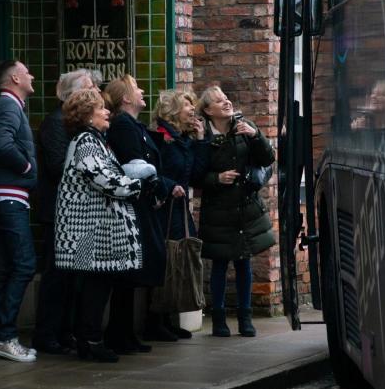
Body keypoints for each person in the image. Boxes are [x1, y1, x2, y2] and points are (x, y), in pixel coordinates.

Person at [54, 89, 150, 363]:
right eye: (101, 108)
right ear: (87, 115)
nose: (108, 112)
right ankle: (90, 340)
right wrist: (139, 184)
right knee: (95, 286)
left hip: (94, 229)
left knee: (96, 285)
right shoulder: (86, 142)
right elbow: (104, 179)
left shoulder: (95, 140)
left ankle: (89, 338)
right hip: (88, 232)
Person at [197, 86, 276, 337]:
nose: (226, 102)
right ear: (208, 111)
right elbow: (195, 174)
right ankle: (219, 318)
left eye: (226, 98)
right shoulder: (203, 136)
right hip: (218, 210)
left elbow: (267, 159)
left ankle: (245, 317)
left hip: (245, 208)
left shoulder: (245, 128)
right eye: (219, 101)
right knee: (220, 264)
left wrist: (255, 136)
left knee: (244, 262)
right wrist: (216, 178)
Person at [104, 75, 177, 349]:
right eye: (136, 88)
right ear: (125, 98)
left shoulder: (135, 126)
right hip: (133, 206)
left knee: (136, 271)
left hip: (143, 205)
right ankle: (119, 333)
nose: (142, 91)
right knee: (128, 272)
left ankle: (125, 332)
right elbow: (132, 165)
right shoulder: (123, 125)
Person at [33, 69, 97, 355]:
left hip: (76, 211)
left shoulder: (77, 126)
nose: (95, 91)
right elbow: (58, 166)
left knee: (75, 278)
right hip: (58, 212)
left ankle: (66, 331)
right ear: (72, 95)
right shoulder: (55, 124)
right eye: (88, 88)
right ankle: (47, 334)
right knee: (57, 276)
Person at [0, 60, 38, 362]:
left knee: (4, 267)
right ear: (15, 78)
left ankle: (1, 335)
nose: (31, 76)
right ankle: (5, 336)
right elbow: (2, 144)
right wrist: (27, 166)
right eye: (27, 72)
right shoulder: (7, 106)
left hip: (7, 197)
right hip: (9, 198)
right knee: (24, 264)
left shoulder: (10, 106)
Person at [151, 89, 209, 338]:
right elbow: (153, 171)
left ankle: (169, 316)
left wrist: (200, 140)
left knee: (179, 260)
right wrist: (168, 186)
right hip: (163, 207)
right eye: (187, 105)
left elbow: (196, 176)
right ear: (174, 109)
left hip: (179, 208)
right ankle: (154, 320)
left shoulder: (184, 140)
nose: (192, 110)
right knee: (166, 260)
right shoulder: (160, 137)